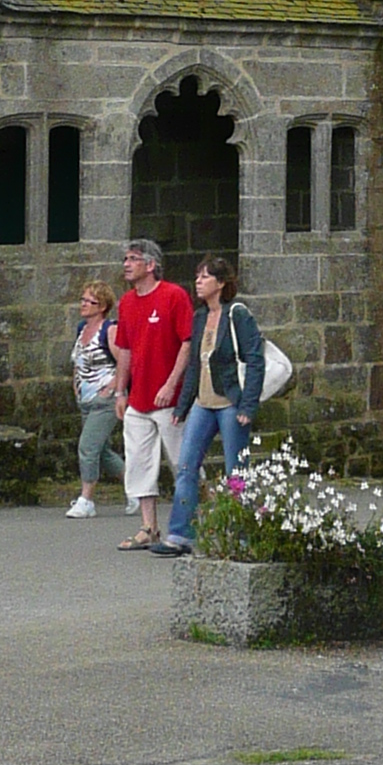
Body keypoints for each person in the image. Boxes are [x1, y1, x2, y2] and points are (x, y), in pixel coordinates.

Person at [153, 257, 265, 555]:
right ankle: (181, 534)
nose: (198, 282)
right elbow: (194, 366)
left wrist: (248, 406)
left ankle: (242, 537)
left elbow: (255, 360)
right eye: (197, 276)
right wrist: (182, 405)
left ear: (222, 283)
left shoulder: (237, 315)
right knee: (186, 466)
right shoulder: (200, 316)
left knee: (236, 472)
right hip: (203, 403)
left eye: (205, 277)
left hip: (230, 403)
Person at [111, 237, 194, 549]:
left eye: (133, 259)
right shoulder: (127, 302)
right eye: (125, 259)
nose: (126, 265)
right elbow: (125, 349)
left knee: (183, 463)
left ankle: (197, 522)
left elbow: (187, 342)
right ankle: (149, 527)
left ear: (151, 264)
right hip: (139, 398)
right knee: (139, 463)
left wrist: (172, 383)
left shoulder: (174, 296)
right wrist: (121, 391)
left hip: (169, 400)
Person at [65, 281, 125, 518]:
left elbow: (125, 361)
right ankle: (136, 490)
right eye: (82, 299)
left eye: (89, 301)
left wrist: (112, 388)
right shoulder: (82, 329)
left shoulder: (110, 330)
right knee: (102, 452)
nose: (83, 304)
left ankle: (86, 499)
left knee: (87, 447)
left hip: (105, 400)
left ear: (102, 307)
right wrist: (76, 386)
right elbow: (78, 361)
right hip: (86, 399)